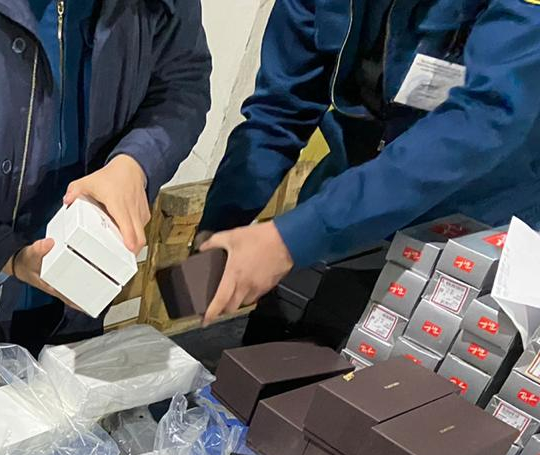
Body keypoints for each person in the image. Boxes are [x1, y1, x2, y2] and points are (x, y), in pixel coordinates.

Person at [0, 0, 212, 417]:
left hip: (79, 303)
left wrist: (136, 162)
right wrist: (3, 254)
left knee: (71, 450)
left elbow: (183, 83)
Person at [196, 0, 540, 324]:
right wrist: (221, 226)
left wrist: (298, 236)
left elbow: (485, 118)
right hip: (341, 221)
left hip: (472, 240)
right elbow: (280, 109)